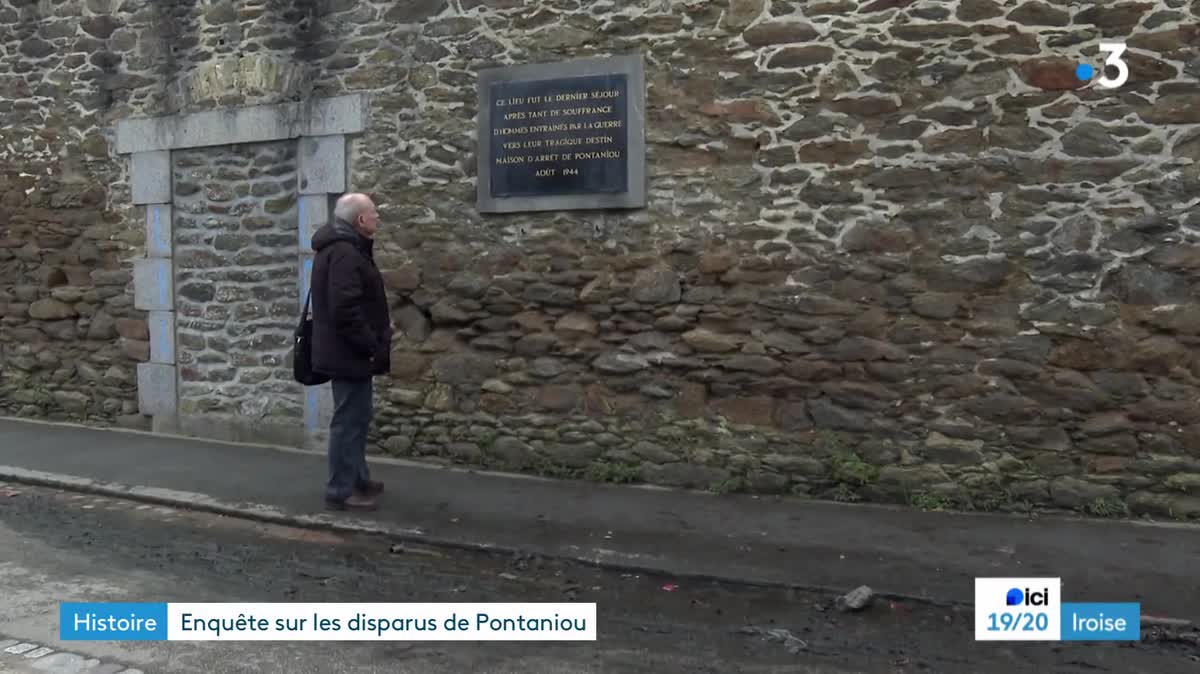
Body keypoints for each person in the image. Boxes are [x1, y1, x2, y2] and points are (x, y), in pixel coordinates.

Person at [310, 192, 392, 511]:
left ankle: (358, 479)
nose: (377, 218)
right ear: (360, 220)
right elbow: (345, 309)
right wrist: (371, 342)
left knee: (357, 418)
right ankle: (341, 490)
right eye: (373, 213)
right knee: (347, 421)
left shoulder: (346, 249)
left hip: (349, 351)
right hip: (349, 353)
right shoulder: (345, 253)